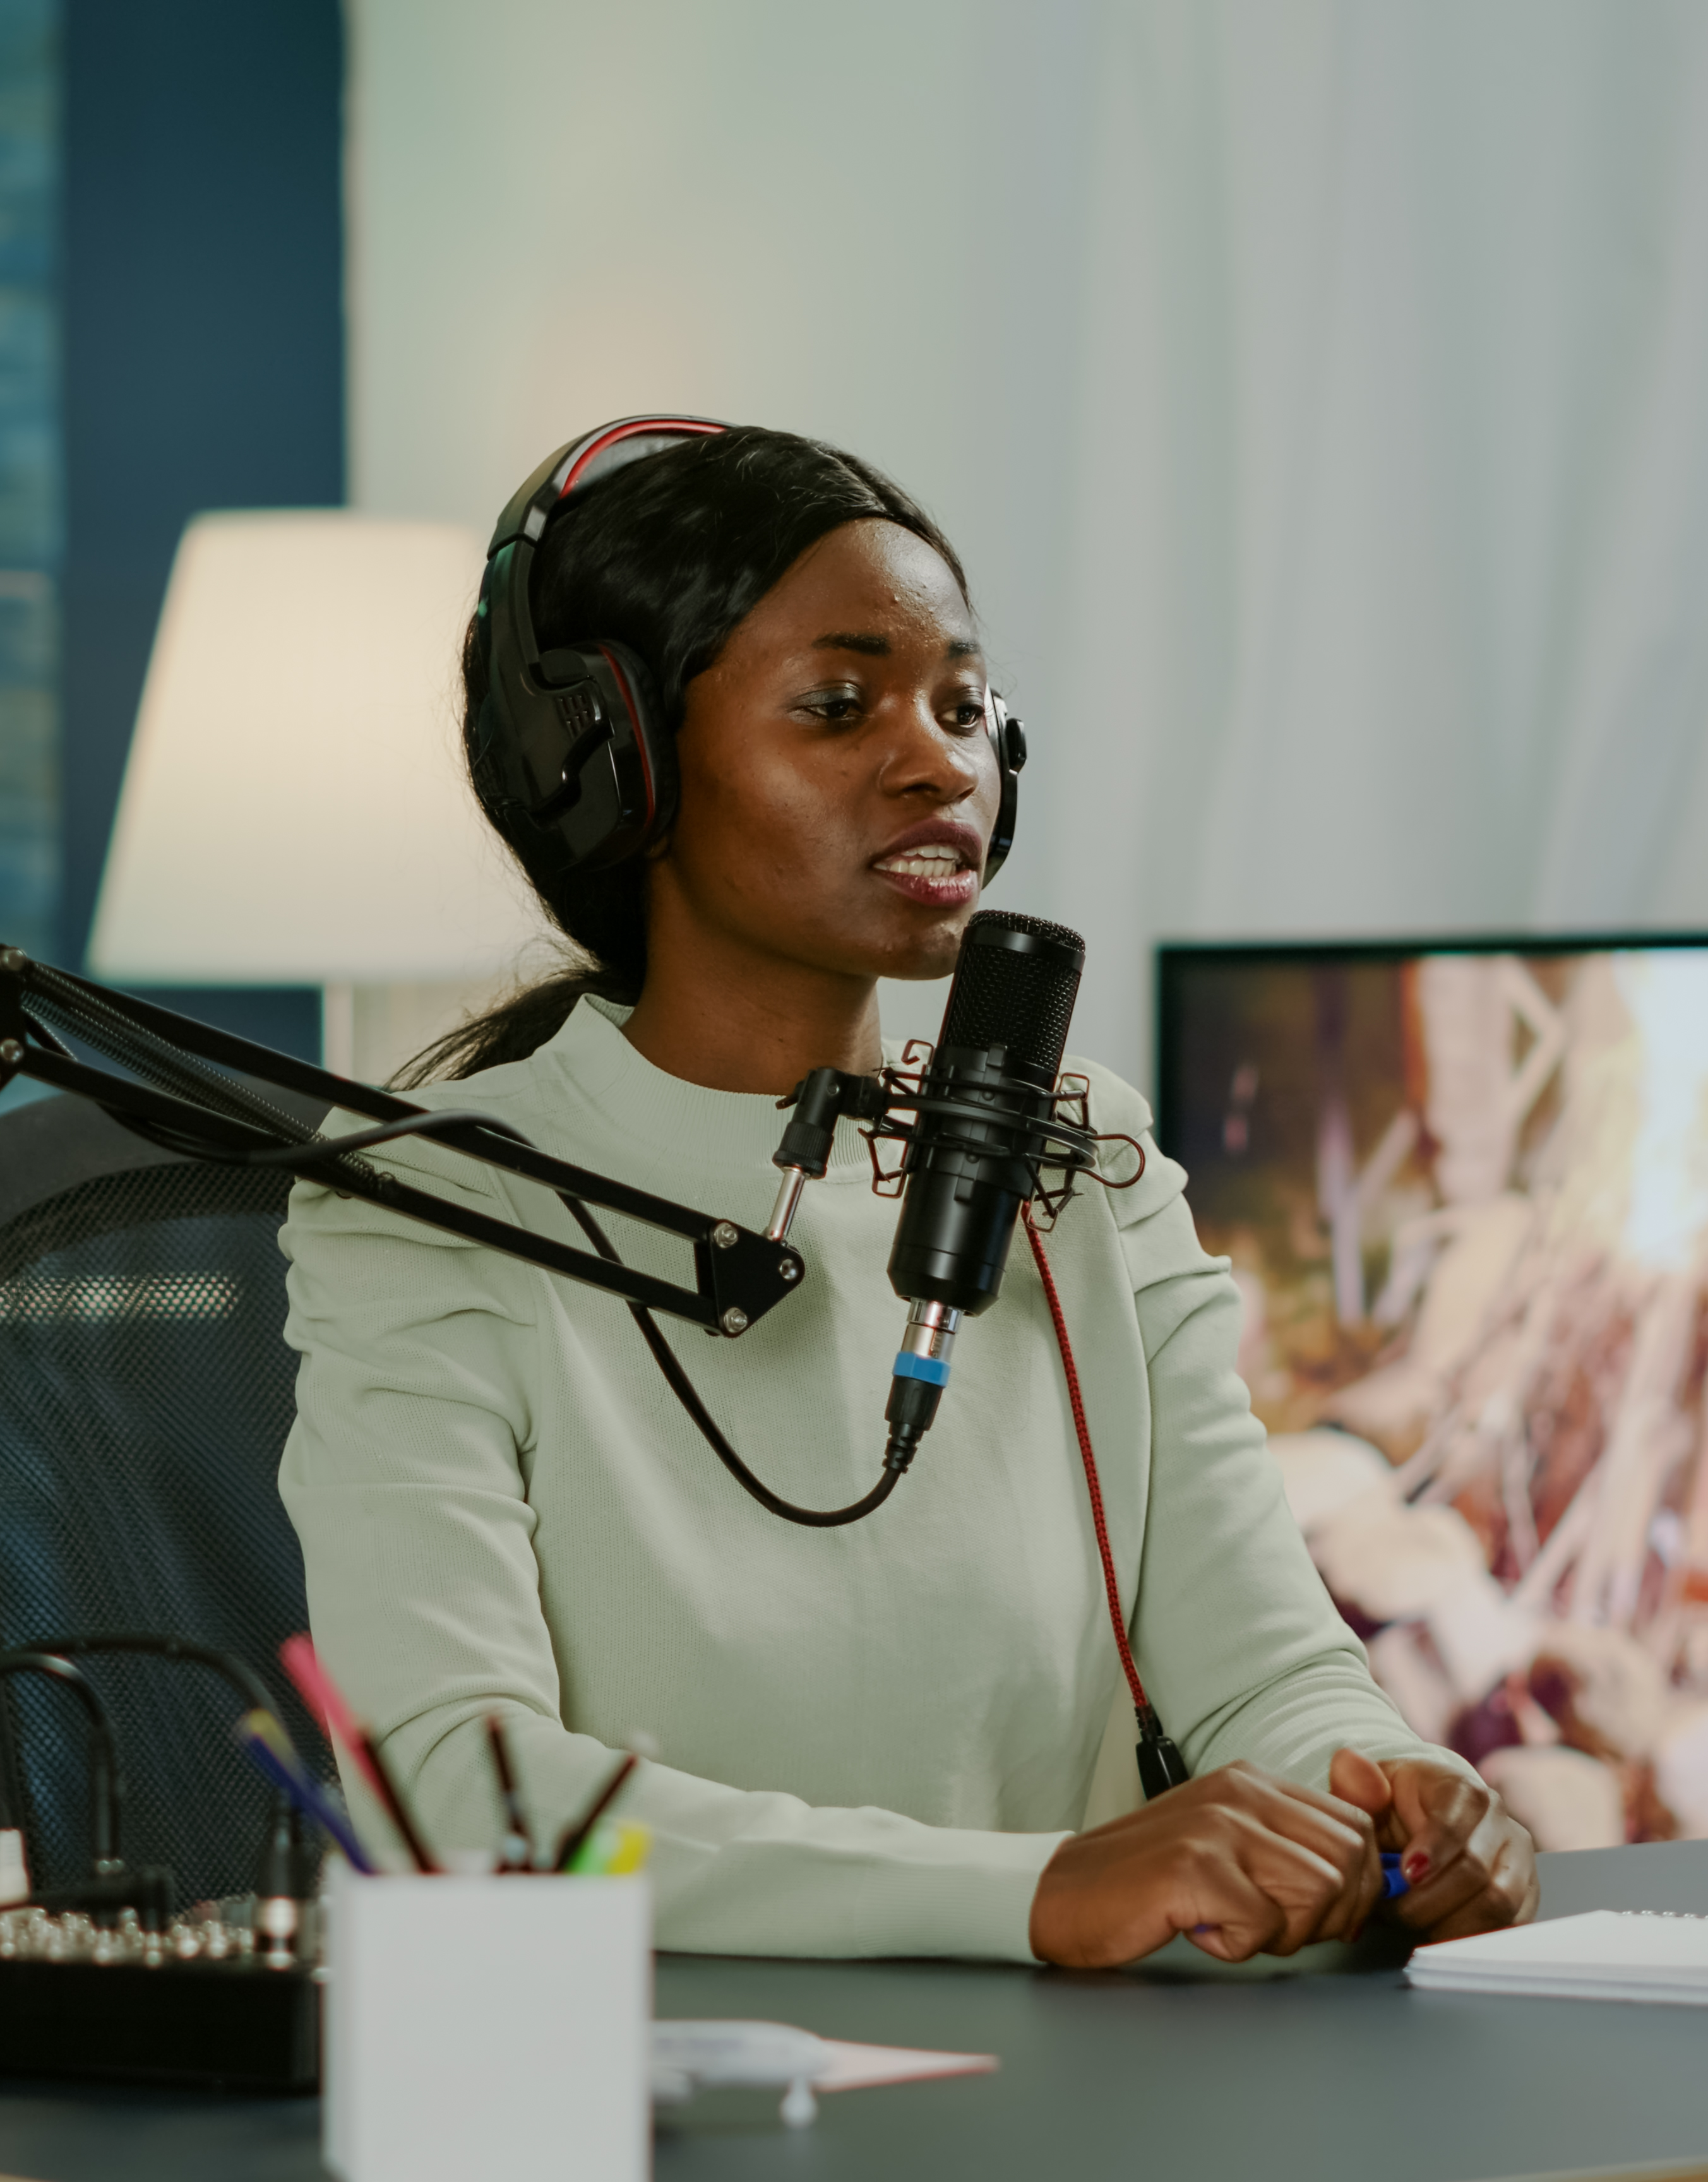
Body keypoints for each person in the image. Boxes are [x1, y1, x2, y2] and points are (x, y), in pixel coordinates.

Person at [275, 420, 1536, 1966]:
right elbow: (457, 1801)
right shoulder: (433, 1206)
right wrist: (1034, 1894)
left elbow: (1263, 1669)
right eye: (838, 703)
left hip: (1090, 2092)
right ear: (616, 759)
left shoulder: (1082, 1161)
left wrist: (1407, 1788)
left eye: (963, 705)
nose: (944, 762)